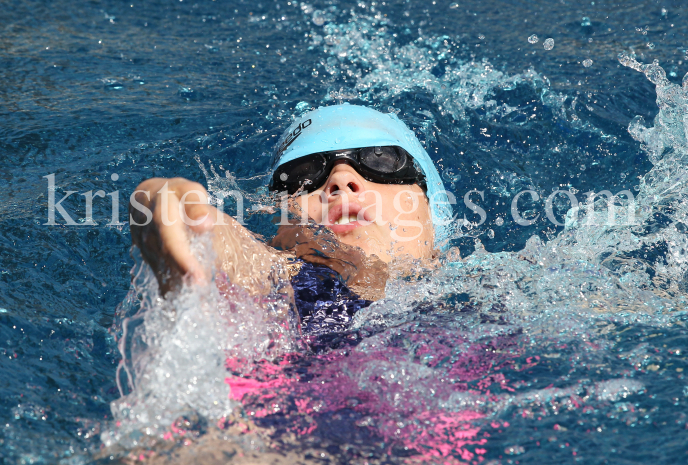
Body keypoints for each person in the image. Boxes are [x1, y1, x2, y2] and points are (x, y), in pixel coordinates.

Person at [130, 104, 453, 340]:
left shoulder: (489, 291)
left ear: (432, 210)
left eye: (381, 161)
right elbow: (217, 239)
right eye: (302, 176)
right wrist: (166, 202)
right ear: (281, 233)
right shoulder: (276, 288)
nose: (341, 179)